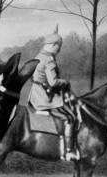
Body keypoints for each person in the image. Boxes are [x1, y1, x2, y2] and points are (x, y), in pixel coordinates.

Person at [28, 26, 79, 161]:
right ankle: (69, 151)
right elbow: (53, 82)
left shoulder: (39, 56)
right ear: (53, 45)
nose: (59, 49)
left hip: (35, 93)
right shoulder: (49, 60)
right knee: (69, 118)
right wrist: (65, 82)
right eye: (59, 46)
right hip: (44, 97)